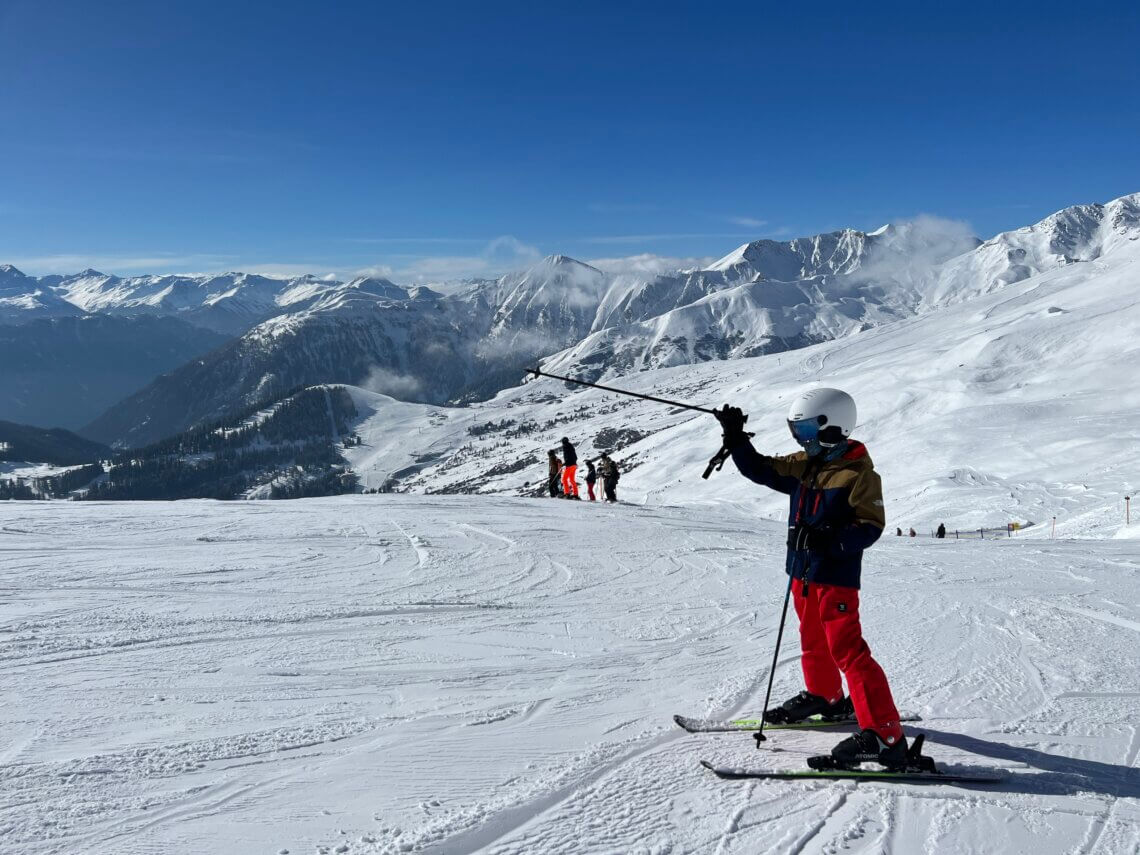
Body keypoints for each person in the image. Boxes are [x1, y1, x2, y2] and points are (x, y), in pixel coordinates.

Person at [715, 387, 907, 770]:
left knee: (848, 649)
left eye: (805, 432)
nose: (800, 441)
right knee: (812, 638)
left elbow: (870, 527)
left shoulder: (859, 475)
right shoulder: (805, 465)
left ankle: (886, 737)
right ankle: (825, 696)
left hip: (835, 576)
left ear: (833, 429)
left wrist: (828, 538)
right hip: (802, 573)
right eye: (795, 432)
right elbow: (761, 469)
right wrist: (734, 437)